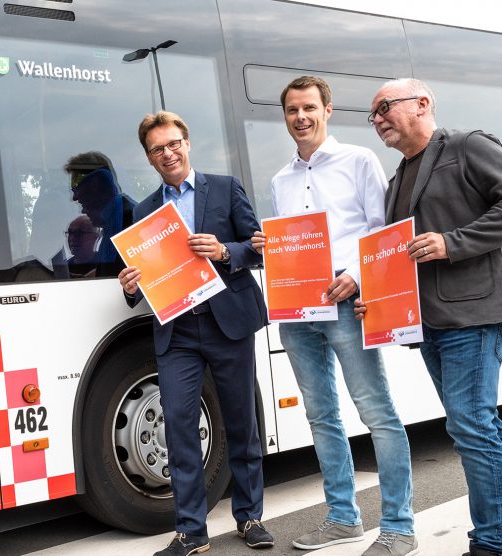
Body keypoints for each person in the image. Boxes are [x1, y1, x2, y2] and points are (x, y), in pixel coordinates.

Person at [358, 78, 502, 556]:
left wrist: (453, 241)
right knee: (479, 423)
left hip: (475, 312)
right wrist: (378, 299)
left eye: (384, 108)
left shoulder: (466, 146)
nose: (377, 119)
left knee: (471, 424)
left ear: (421, 103)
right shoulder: (399, 176)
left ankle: (490, 543)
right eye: (373, 114)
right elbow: (400, 255)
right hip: (430, 321)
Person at [250, 76, 416, 556]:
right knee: (321, 416)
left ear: (327, 111)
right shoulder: (281, 179)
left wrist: (359, 277)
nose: (299, 118)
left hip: (345, 302)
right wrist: (270, 249)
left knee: (377, 412)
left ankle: (400, 527)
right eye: (290, 111)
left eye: (308, 108)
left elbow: (383, 232)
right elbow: (296, 244)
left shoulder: (359, 160)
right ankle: (343, 519)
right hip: (297, 310)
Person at [118, 111, 273, 555]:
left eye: (173, 144)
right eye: (156, 149)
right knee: (179, 428)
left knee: (242, 423)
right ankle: (191, 531)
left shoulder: (224, 188)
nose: (167, 153)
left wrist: (227, 250)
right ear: (148, 159)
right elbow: (141, 277)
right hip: (178, 330)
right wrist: (130, 286)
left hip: (229, 323)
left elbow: (258, 245)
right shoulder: (144, 210)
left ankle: (250, 518)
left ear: (187, 143)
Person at [66, 151, 136, 276]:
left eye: (75, 188)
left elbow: (133, 276)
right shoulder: (114, 220)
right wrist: (85, 278)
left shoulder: (130, 220)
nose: (74, 197)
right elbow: (115, 271)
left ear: (95, 185)